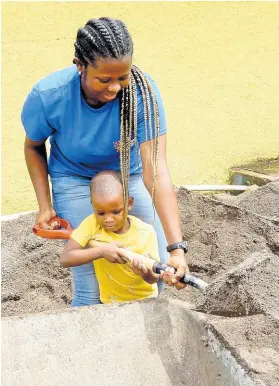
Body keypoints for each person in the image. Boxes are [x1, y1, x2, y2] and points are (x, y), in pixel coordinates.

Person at [22, 16, 188, 307]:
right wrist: (45, 205)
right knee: (89, 284)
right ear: (80, 66)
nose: (115, 89)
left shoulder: (143, 94)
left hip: (130, 175)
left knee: (155, 270)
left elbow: (156, 171)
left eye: (122, 78)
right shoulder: (49, 95)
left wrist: (177, 249)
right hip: (73, 177)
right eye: (104, 80)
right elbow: (33, 146)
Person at [60, 170, 162, 304]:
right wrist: (101, 251)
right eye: (100, 213)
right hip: (109, 305)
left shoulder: (145, 232)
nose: (108, 219)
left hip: (145, 302)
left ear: (129, 203)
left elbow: (153, 278)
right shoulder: (92, 224)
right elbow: (65, 259)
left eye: (116, 212)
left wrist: (143, 272)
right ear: (92, 205)